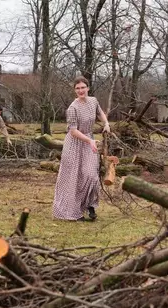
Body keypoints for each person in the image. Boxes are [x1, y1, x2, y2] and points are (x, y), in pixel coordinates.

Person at [53, 76, 110, 221]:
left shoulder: (93, 101)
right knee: (74, 178)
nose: (80, 90)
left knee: (91, 175)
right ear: (74, 90)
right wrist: (89, 140)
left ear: (88, 88)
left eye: (83, 87)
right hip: (74, 144)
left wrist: (106, 123)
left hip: (88, 141)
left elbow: (100, 112)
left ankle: (90, 205)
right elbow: (73, 131)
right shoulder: (73, 108)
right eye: (77, 88)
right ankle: (72, 212)